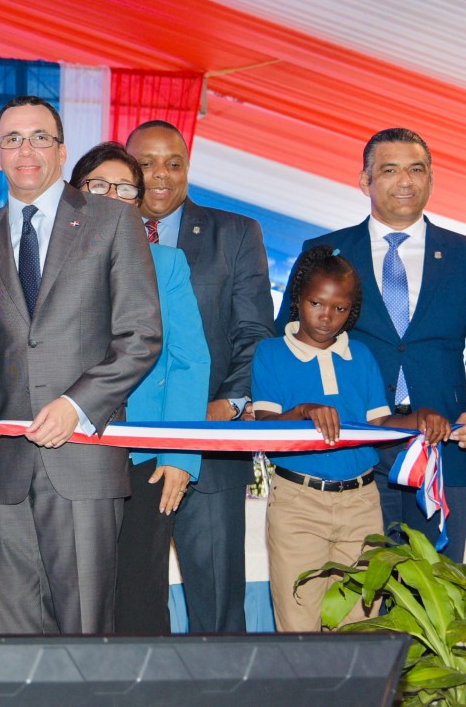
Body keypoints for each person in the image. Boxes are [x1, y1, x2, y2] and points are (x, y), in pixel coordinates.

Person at [0, 97, 161, 635]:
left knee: (86, 632)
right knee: (19, 636)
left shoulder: (114, 220)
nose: (27, 150)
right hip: (3, 464)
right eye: (13, 139)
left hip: (84, 459)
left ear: (62, 150)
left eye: (40, 137)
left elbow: (141, 335)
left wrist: (77, 404)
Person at [281, 128, 466, 559]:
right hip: (350, 444)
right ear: (365, 181)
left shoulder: (462, 255)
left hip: (443, 448)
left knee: (435, 589)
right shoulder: (326, 253)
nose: (405, 181)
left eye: (416, 169)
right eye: (390, 170)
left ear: (432, 179)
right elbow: (287, 341)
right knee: (357, 586)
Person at [127, 119, 275, 633]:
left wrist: (225, 407)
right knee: (132, 605)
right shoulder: (94, 239)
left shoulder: (235, 234)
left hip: (207, 446)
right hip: (120, 456)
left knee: (216, 607)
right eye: (145, 164)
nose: (160, 176)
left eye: (174, 163)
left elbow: (256, 334)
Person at [255, 246, 449, 630]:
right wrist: (304, 411)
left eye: (339, 308)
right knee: (299, 624)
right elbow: (266, 425)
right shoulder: (271, 352)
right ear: (298, 298)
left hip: (362, 503)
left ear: (351, 312)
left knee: (359, 623)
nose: (327, 317)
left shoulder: (359, 356)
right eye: (316, 303)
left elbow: (380, 425)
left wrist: (419, 418)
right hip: (298, 504)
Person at [70, 142, 210, 635]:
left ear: (138, 200)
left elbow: (191, 362)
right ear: (75, 194)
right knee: (77, 595)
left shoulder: (167, 264)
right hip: (72, 452)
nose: (112, 196)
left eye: (126, 188)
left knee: (141, 596)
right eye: (98, 186)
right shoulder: (49, 264)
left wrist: (180, 455)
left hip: (148, 458)